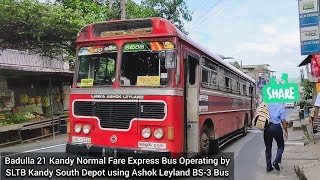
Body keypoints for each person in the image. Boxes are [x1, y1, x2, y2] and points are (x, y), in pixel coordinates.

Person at [264, 102, 288, 172]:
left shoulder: (267, 104)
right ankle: (276, 161)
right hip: (277, 127)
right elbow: (283, 121)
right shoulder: (281, 106)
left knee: (268, 147)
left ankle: (268, 166)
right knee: (281, 146)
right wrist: (286, 131)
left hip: (267, 127)